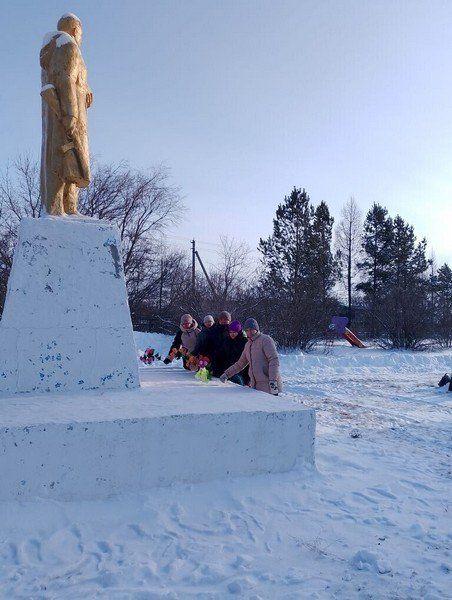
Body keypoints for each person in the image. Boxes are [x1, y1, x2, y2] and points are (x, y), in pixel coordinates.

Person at [220, 318, 282, 395]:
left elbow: (274, 360)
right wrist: (226, 374)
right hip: (255, 386)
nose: (249, 332)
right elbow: (240, 364)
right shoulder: (248, 344)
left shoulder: (265, 340)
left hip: (269, 385)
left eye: (251, 329)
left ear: (256, 329)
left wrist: (273, 382)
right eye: (247, 330)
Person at [193, 310, 232, 377]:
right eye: (221, 319)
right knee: (216, 377)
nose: (223, 321)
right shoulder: (214, 330)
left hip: (229, 359)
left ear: (229, 320)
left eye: (226, 319)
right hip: (216, 359)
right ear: (219, 320)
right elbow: (208, 344)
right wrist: (202, 354)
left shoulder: (232, 331)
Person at [217, 320, 249, 385]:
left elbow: (247, 361)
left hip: (242, 373)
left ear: (238, 332)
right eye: (230, 332)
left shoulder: (245, 342)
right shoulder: (226, 342)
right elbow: (221, 356)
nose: (232, 334)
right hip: (227, 371)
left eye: (234, 332)